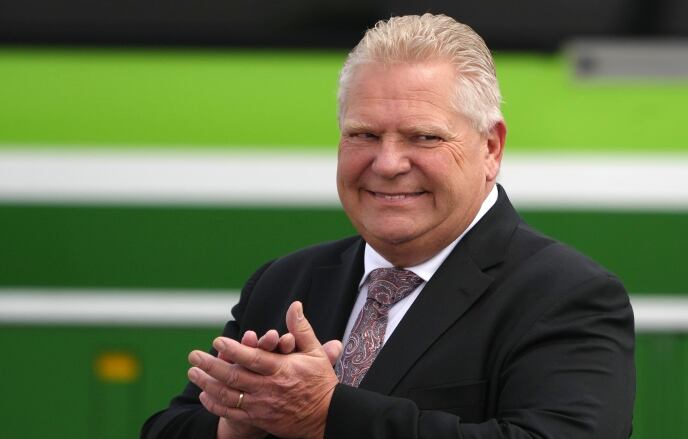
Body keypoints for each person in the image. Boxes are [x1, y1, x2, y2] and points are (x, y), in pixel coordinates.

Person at [142, 13, 635, 439]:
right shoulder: (287, 281)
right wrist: (240, 424)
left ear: (491, 149)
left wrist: (325, 416)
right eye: (364, 134)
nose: (388, 162)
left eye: (423, 137)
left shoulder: (567, 296)